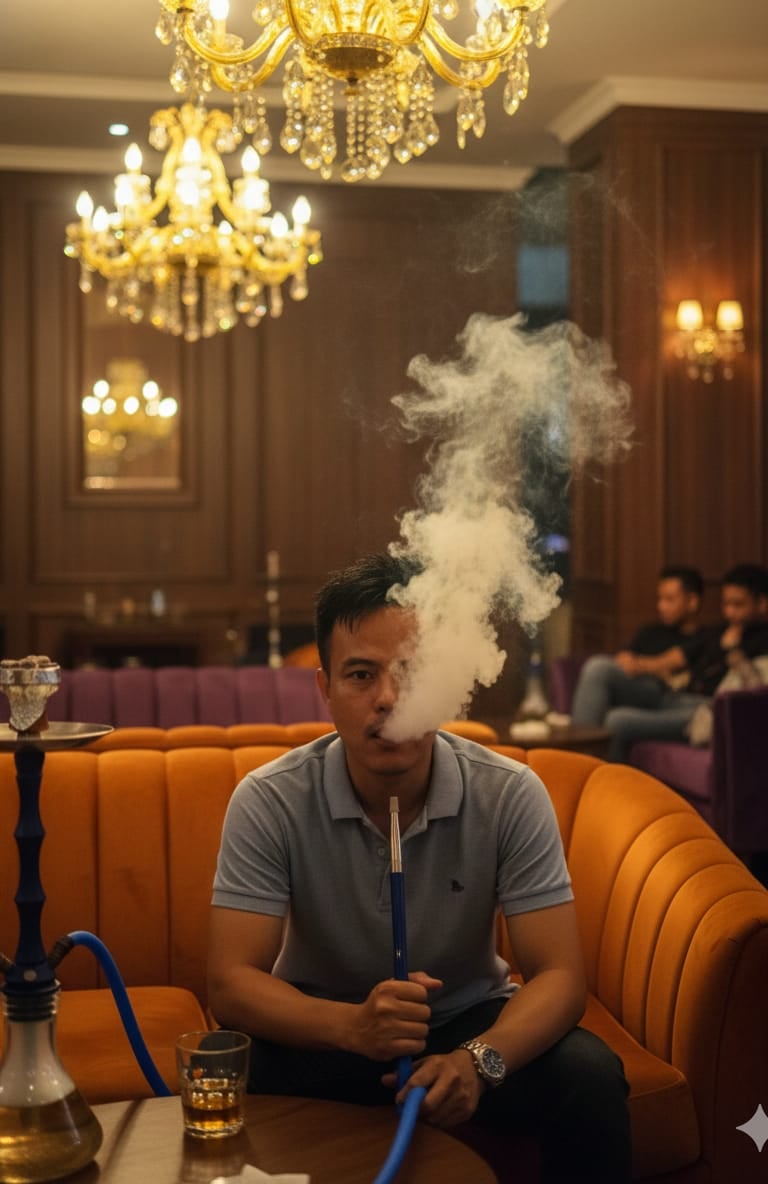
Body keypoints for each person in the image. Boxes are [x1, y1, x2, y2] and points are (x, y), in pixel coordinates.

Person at [208, 553, 631, 1183]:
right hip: (324, 1026)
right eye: (361, 675)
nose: (388, 699)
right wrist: (352, 1027)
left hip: (466, 1023)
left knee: (589, 1076)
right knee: (221, 1062)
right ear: (325, 689)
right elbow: (230, 983)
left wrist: (478, 1062)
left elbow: (561, 977)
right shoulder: (270, 799)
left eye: (412, 672)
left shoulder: (508, 793)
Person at [603, 563, 768, 762]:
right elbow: (677, 657)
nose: (729, 612)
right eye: (726, 604)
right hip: (677, 697)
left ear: (762, 603)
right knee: (601, 669)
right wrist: (639, 664)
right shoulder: (718, 631)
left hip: (707, 710)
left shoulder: (762, 642)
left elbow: (755, 692)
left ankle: (592, 774)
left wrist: (733, 650)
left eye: (738, 605)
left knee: (618, 720)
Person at [570, 565, 704, 729]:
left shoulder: (706, 637)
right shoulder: (650, 631)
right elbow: (623, 660)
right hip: (641, 692)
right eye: (660, 599)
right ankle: (579, 742)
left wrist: (641, 665)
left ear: (692, 601)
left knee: (615, 718)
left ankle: (581, 742)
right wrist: (653, 669)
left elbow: (675, 660)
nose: (661, 606)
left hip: (676, 700)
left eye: (669, 600)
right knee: (598, 667)